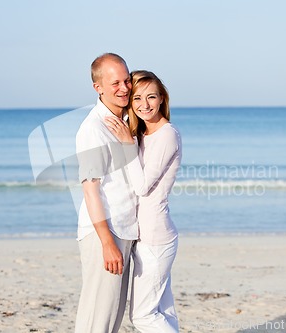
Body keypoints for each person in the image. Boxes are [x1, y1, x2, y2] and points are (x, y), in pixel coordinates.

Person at [105, 70, 182, 333]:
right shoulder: (143, 135)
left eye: (151, 97)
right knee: (163, 311)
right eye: (137, 98)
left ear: (162, 99)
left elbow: (141, 185)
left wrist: (127, 143)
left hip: (156, 238)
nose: (144, 104)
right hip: (145, 236)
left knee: (143, 316)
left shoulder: (167, 134)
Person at [75, 53, 138, 333]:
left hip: (123, 229)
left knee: (111, 316)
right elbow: (90, 190)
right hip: (105, 232)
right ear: (98, 87)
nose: (124, 88)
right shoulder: (93, 129)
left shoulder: (123, 121)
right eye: (115, 83)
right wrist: (107, 242)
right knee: (97, 318)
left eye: (127, 80)